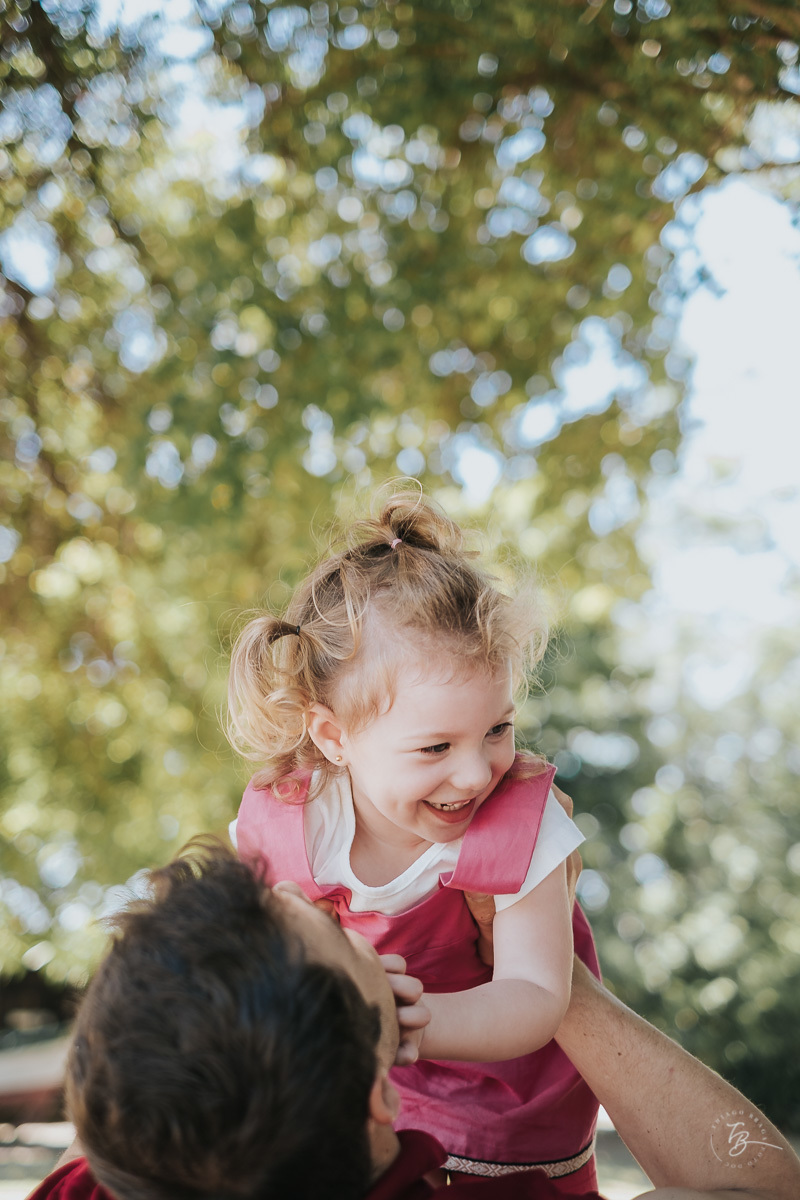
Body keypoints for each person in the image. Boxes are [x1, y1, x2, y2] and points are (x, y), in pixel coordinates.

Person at [31, 843, 800, 1200]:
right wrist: (550, 973)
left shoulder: (91, 1189)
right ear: (378, 1097)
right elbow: (764, 1189)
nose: (311, 891)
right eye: (335, 932)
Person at [226, 488, 597, 1190]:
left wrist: (396, 1026)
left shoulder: (522, 815)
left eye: (497, 728)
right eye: (434, 747)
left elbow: (535, 994)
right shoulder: (285, 825)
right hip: (374, 1106)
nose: (476, 770)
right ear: (334, 738)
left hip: (513, 1116)